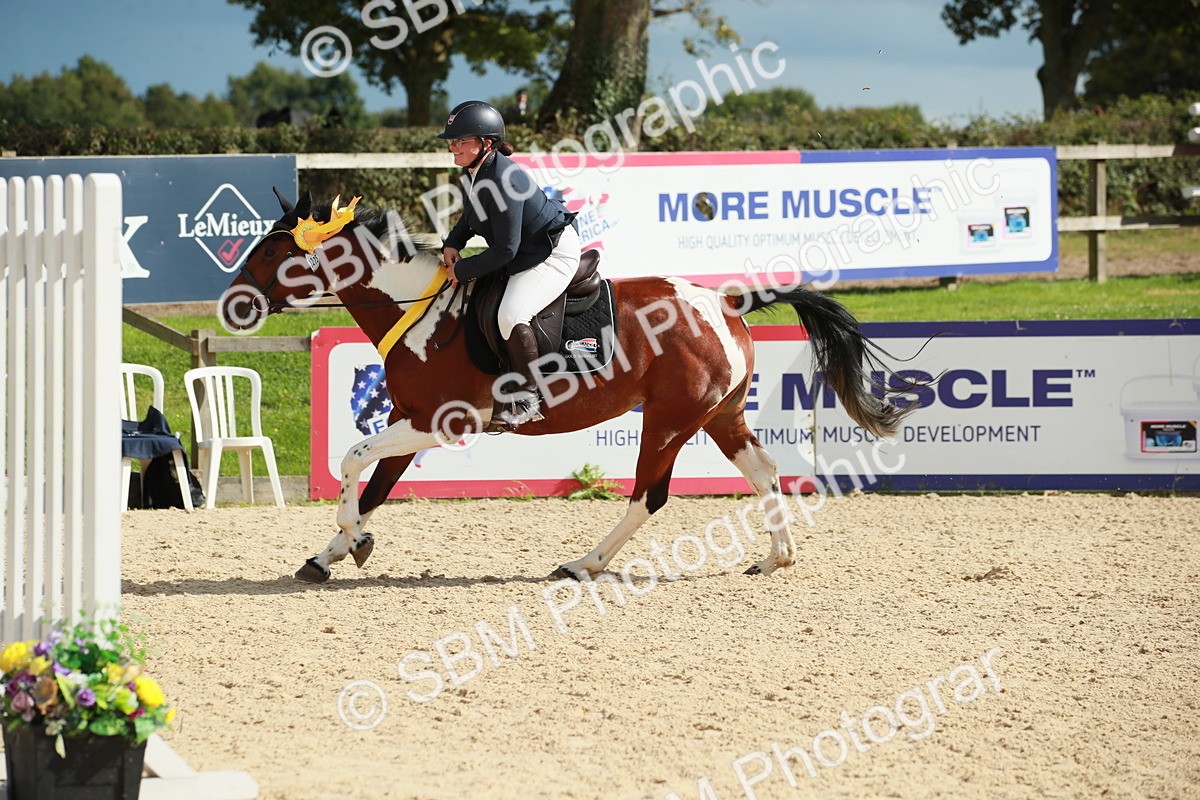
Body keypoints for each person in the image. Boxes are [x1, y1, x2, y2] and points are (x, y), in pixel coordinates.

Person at [438, 100, 581, 431]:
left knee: (510, 315)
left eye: (460, 140)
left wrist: (461, 271)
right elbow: (473, 215)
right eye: (451, 140)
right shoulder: (478, 170)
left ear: (486, 144)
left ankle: (530, 396)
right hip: (524, 252)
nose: (452, 147)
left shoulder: (504, 179)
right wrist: (452, 243)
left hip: (552, 252)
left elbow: (505, 250)